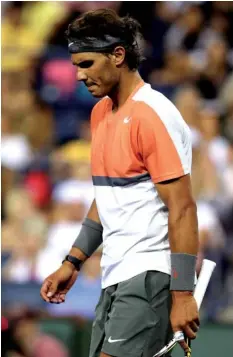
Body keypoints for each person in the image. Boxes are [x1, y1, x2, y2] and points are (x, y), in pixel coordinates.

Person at [40, 9, 199, 357]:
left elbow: (183, 207)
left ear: (118, 55)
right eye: (76, 66)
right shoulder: (100, 113)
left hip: (150, 275)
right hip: (115, 274)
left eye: (87, 64)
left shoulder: (153, 114)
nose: (80, 76)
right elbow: (108, 197)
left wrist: (183, 293)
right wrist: (73, 262)